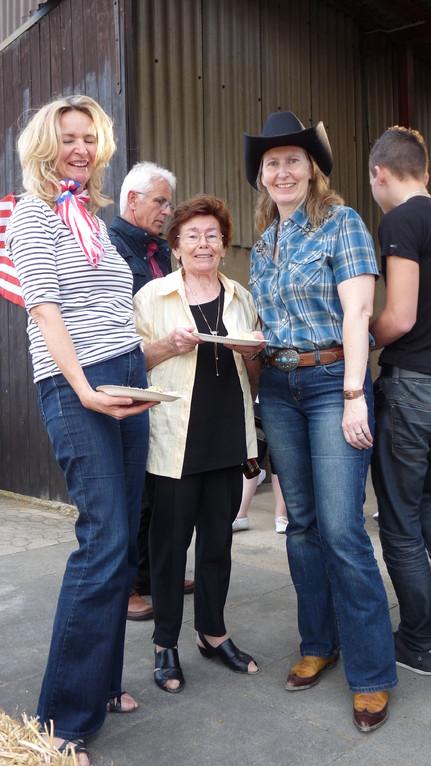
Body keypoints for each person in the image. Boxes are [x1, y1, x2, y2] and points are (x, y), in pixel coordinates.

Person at [6, 95, 157, 766]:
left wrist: (141, 367)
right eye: (67, 137)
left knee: (124, 544)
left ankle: (101, 686)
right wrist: (85, 389)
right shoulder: (33, 214)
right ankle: (59, 722)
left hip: (121, 375)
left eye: (89, 138)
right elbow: (43, 309)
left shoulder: (89, 217)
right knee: (104, 540)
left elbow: (114, 315)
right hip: (77, 385)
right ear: (45, 144)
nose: (80, 148)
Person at [243, 110, 397, 732]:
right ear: (262, 175)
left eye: (293, 161)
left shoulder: (343, 224)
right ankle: (318, 642)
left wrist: (357, 393)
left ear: (313, 170)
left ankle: (371, 672)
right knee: (300, 524)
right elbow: (267, 327)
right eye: (271, 163)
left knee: (341, 529)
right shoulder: (263, 243)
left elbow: (358, 313)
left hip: (336, 380)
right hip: (278, 385)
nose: (282, 171)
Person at [133, 194, 266, 693]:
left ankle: (212, 632)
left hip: (228, 436)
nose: (203, 244)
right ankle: (165, 643)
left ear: (224, 245)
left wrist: (252, 351)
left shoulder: (240, 297)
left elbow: (253, 375)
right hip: (175, 440)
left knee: (217, 544)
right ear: (177, 246)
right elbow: (134, 365)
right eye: (193, 235)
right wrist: (170, 344)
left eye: (212, 235)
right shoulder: (153, 297)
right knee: (168, 547)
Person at [109, 161, 194, 622]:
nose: (166, 210)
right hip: (128, 376)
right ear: (132, 200)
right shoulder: (110, 247)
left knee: (159, 487)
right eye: (159, 201)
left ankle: (150, 573)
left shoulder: (160, 249)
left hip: (166, 378)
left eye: (168, 202)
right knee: (131, 494)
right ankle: (122, 588)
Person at [369, 126, 431, 675]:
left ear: (379, 175)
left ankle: (419, 640)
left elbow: (401, 316)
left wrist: (361, 334)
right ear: (427, 172)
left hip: (413, 385)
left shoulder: (401, 221)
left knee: (400, 522)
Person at [232, 404, 288, 533]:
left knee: (280, 459)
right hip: (258, 402)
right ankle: (240, 513)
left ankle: (281, 515)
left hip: (281, 402)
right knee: (252, 458)